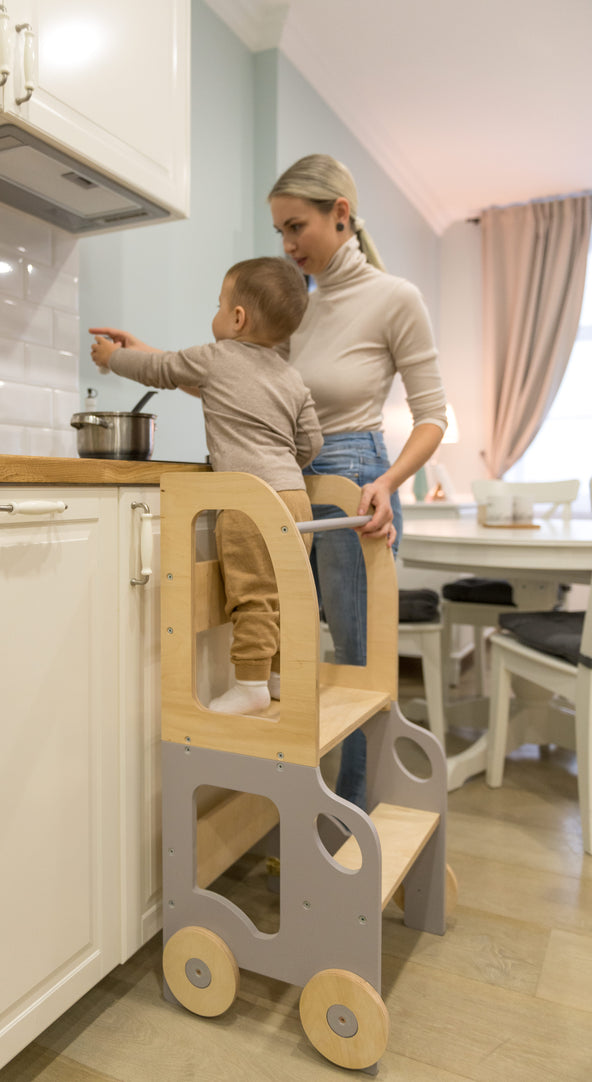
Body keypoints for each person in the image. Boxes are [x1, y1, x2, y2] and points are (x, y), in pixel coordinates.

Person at [268, 154, 448, 809]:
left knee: (354, 658)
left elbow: (433, 417)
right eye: (280, 234)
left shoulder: (394, 298)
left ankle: (350, 818)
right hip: (292, 482)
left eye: (297, 228)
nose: (288, 247)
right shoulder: (297, 308)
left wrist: (389, 481)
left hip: (356, 481)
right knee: (294, 651)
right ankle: (307, 804)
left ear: (340, 214)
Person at [89, 256, 323, 716]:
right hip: (295, 499)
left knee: (253, 594)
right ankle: (276, 677)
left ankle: (251, 684)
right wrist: (283, 466)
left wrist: (112, 357)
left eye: (219, 304)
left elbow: (162, 371)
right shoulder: (291, 377)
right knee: (284, 593)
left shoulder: (216, 357)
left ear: (237, 319)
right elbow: (311, 441)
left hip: (249, 500)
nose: (214, 313)